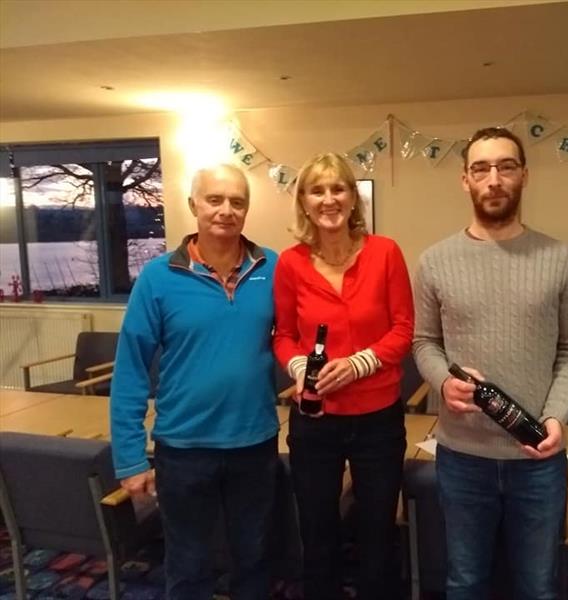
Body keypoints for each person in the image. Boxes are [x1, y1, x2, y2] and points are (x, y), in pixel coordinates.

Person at [413, 127, 568, 599]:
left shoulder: (558, 258)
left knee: (537, 587)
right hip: (461, 456)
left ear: (524, 176)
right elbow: (424, 342)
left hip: (538, 457)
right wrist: (441, 380)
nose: (494, 178)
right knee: (465, 582)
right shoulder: (435, 261)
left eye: (505, 166)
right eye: (481, 168)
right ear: (465, 180)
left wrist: (555, 417)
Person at [110, 164, 280, 600]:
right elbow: (130, 369)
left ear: (247, 209)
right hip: (183, 451)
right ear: (193, 205)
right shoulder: (158, 277)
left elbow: (300, 336)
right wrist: (129, 458)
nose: (226, 210)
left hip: (254, 446)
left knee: (256, 560)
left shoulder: (274, 268)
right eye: (215, 200)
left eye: (237, 201)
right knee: (188, 567)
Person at [273, 152, 414, 600]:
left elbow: (404, 330)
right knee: (317, 534)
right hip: (314, 420)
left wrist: (357, 364)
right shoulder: (290, 263)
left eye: (338, 188)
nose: (329, 199)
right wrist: (301, 369)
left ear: (353, 198)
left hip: (378, 420)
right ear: (304, 202)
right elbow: (283, 335)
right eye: (318, 190)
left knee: (376, 533)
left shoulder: (385, 252)